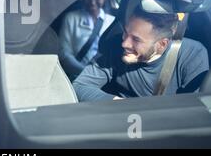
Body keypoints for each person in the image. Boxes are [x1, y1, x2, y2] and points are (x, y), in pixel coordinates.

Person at [73, 7, 209, 101]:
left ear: (162, 44)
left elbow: (194, 108)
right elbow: (80, 86)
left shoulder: (192, 55)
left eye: (136, 39)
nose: (125, 44)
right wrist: (120, 105)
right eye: (125, 32)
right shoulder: (114, 46)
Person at [58, 0, 114, 80]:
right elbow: (64, 53)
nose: (92, 2)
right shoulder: (71, 18)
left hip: (105, 77)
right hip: (77, 76)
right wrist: (85, 72)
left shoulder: (112, 22)